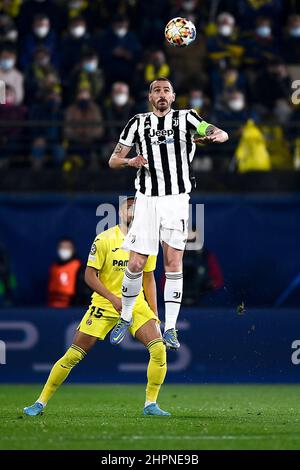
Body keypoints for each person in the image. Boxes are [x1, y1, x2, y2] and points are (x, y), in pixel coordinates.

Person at [108, 77, 228, 349]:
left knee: (173, 262)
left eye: (166, 91)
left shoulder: (186, 118)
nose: (161, 95)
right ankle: (125, 317)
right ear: (150, 97)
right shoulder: (137, 122)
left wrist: (216, 135)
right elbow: (113, 160)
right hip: (147, 199)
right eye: (156, 91)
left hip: (175, 199)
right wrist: (130, 161)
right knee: (136, 263)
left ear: (173, 97)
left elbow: (216, 131)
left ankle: (171, 328)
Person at [24, 197, 169, 417]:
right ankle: (40, 403)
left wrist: (155, 314)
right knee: (73, 355)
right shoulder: (105, 239)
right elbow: (89, 276)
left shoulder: (147, 242)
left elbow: (148, 279)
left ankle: (150, 404)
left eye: (137, 208)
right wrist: (112, 298)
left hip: (136, 302)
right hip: (105, 303)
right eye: (129, 208)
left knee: (158, 348)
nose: (133, 211)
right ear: (121, 213)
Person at [47, 237, 82, 308]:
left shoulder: (80, 268)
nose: (64, 250)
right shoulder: (54, 268)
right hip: (52, 306)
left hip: (71, 307)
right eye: (62, 247)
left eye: (67, 247)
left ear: (73, 250)